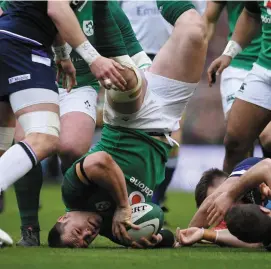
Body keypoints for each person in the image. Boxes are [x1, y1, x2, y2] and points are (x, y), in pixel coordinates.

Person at [48, 1, 208, 248]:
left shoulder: (72, 193)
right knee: (195, 30)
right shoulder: (116, 230)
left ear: (64, 217)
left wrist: (123, 206)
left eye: (75, 233)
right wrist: (154, 238)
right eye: (85, 242)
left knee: (124, 78)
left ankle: (98, 5)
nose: (86, 236)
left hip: (129, 123)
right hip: (166, 119)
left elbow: (99, 161)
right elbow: (159, 225)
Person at [0, 0, 152, 246]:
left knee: (61, 145)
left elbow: (133, 50)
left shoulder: (105, 7)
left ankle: (78, 212)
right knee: (37, 139)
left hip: (71, 81)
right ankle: (29, 228)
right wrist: (94, 59)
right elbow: (57, 9)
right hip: (27, 53)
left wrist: (62, 54)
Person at [207, 1, 271, 173]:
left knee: (268, 137)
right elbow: (251, 13)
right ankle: (234, 199)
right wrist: (229, 53)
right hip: (264, 69)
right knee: (235, 142)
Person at [175, 165, 263, 248]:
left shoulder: (251, 170)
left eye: (218, 200)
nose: (222, 209)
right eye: (213, 210)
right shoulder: (229, 225)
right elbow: (255, 241)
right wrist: (203, 233)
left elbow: (266, 165)